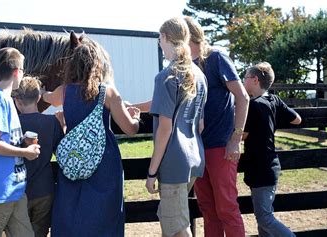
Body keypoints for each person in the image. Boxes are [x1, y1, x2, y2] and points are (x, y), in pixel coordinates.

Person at [42, 37, 141, 237]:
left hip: (74, 160)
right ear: (97, 65)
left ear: (73, 64)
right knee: (105, 214)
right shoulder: (108, 93)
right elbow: (130, 129)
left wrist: (42, 92)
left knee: (71, 211)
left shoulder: (63, 92)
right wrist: (137, 118)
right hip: (104, 160)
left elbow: (46, 97)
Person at [183, 16, 250, 237]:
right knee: (208, 211)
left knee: (227, 209)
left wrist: (235, 139)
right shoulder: (187, 66)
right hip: (199, 150)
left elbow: (243, 97)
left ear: (187, 36)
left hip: (221, 147)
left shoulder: (217, 57)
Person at [144, 17, 208, 237]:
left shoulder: (166, 76)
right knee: (172, 223)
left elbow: (165, 129)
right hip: (194, 158)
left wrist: (152, 172)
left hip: (173, 164)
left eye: (159, 39)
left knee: (178, 228)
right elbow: (200, 123)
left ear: (164, 37)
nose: (159, 44)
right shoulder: (199, 75)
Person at [0, 47, 41, 236]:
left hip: (14, 189)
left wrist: (21, 143)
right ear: (16, 72)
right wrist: (25, 153)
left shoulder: (0, 99)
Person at [242, 62, 301, 237]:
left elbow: (242, 135)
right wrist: (271, 121)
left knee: (264, 218)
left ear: (254, 80)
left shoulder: (253, 106)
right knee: (263, 217)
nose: (242, 81)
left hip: (261, 168)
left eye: (244, 78)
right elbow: (297, 119)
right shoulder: (274, 100)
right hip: (269, 165)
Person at [12, 76, 64, 237]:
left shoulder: (12, 124)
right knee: (40, 232)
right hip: (45, 189)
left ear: (17, 100)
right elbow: (62, 153)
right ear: (39, 97)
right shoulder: (52, 122)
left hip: (19, 190)